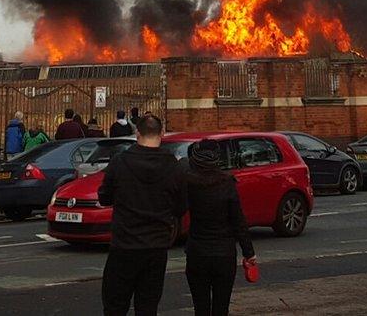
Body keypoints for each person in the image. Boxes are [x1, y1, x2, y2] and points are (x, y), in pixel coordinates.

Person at [98, 115, 186, 316]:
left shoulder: (120, 162)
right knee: (148, 306)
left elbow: (104, 197)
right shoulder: (174, 166)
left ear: (137, 133)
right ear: (162, 134)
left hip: (124, 244)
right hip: (156, 246)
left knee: (115, 305)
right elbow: (181, 207)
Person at [183, 139, 256, 316]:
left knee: (200, 307)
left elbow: (176, 209)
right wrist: (249, 252)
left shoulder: (188, 182)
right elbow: (238, 220)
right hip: (224, 253)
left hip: (197, 251)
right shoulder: (227, 182)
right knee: (221, 307)